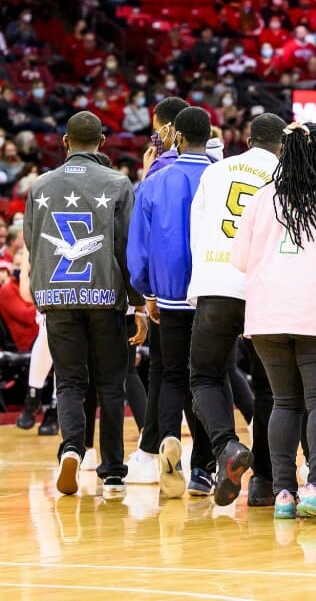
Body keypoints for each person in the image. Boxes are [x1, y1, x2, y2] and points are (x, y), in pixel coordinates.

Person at [231, 122, 316, 522]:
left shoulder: (262, 198)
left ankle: (283, 493)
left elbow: (240, 259)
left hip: (268, 313)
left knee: (284, 403)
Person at [23, 111, 145, 499]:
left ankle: (72, 448)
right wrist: (138, 304)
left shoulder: (39, 185)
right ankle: (112, 472)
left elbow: (30, 243)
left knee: (71, 382)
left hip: (56, 295)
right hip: (105, 295)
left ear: (65, 142)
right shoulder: (118, 183)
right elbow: (127, 249)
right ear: (103, 142)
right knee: (111, 384)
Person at [187, 112, 286, 507]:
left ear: (248, 140)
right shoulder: (284, 174)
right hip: (263, 287)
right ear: (282, 145)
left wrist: (202, 283)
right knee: (268, 388)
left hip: (216, 281)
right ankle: (264, 482)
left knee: (205, 376)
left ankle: (226, 446)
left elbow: (198, 229)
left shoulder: (216, 171)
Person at [128, 106, 217, 499]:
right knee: (209, 378)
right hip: (215, 290)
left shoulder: (155, 180)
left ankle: (168, 442)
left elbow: (139, 248)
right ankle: (203, 468)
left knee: (169, 375)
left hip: (168, 294)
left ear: (176, 136)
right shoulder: (223, 177)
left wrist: (146, 293)